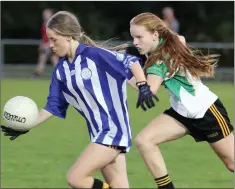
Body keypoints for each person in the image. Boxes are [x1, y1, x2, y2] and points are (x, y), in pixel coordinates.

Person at [1, 11, 158, 189]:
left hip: (112, 131)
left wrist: (143, 85)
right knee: (119, 185)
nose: (50, 45)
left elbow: (130, 61)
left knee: (75, 178)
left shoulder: (94, 55)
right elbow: (53, 106)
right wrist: (26, 125)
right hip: (99, 133)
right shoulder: (60, 71)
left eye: (54, 39)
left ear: (68, 37)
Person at [128, 12, 234, 189]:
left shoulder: (159, 61)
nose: (135, 42)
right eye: (133, 37)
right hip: (181, 113)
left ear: (155, 35)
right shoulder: (165, 44)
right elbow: (180, 39)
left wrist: (123, 73)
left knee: (232, 165)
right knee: (144, 141)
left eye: (139, 37)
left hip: (206, 112)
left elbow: (150, 90)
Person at [33, 8, 58, 77]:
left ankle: (38, 73)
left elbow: (54, 37)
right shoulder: (44, 24)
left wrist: (47, 44)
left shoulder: (53, 25)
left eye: (47, 13)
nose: (45, 15)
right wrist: (43, 44)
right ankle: (38, 72)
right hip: (47, 45)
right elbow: (44, 37)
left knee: (53, 59)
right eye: (44, 13)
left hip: (53, 44)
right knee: (44, 57)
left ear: (51, 14)